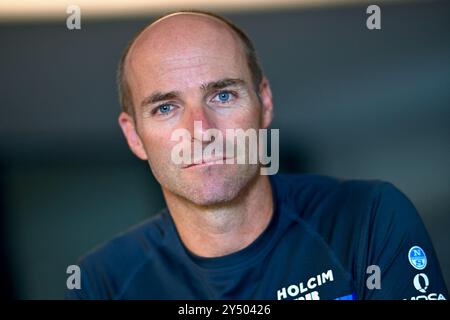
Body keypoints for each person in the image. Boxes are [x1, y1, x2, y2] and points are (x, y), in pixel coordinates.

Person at [66, 10, 448, 300]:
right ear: (134, 136)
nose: (201, 130)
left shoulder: (368, 216)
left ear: (264, 103)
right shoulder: (103, 281)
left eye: (222, 95)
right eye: (165, 108)